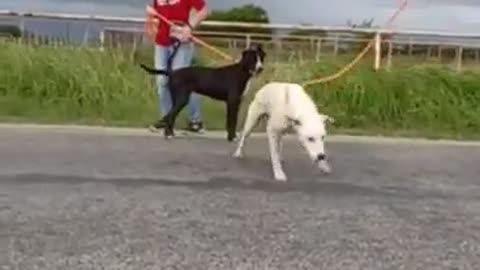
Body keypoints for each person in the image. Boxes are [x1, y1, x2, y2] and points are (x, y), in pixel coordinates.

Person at [145, 0, 209, 133]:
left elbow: (204, 10)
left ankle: (195, 120)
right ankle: (167, 118)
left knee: (182, 82)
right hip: (162, 43)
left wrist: (189, 27)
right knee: (162, 81)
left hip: (182, 44)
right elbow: (154, 17)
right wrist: (151, 16)